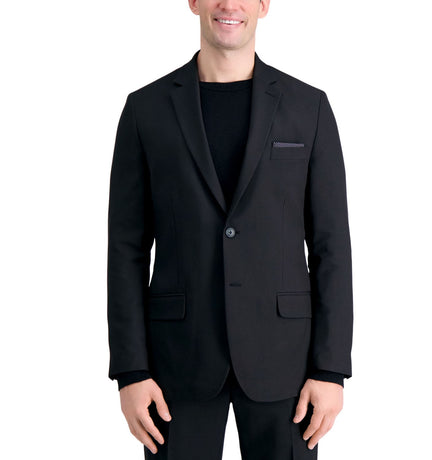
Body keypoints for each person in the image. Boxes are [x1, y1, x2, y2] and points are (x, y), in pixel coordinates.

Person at [107, 1, 353, 458]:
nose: (229, 4)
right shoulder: (146, 109)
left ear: (263, 5)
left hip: (287, 363)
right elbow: (125, 250)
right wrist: (131, 371)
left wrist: (330, 369)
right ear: (193, 2)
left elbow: (331, 246)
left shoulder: (309, 107)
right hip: (176, 362)